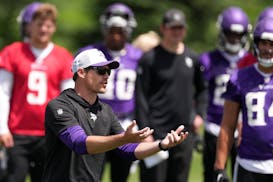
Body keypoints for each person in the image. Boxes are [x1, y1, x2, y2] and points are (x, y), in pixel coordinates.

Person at [41, 48, 188, 182]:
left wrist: (161, 144)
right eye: (100, 71)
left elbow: (127, 149)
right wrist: (123, 138)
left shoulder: (106, 111)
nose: (106, 76)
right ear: (81, 72)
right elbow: (79, 143)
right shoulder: (60, 106)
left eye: (108, 71)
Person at [0, 3, 74, 182]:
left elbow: (68, 99)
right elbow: (3, 92)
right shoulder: (13, 52)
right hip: (17, 133)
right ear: (29, 26)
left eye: (48, 25)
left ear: (54, 27)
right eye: (39, 24)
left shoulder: (63, 56)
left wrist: (66, 130)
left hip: (49, 133)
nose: (43, 29)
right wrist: (2, 127)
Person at [135, 8, 207, 182]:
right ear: (163, 28)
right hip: (155, 133)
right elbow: (141, 97)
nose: (176, 31)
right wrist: (145, 133)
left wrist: (200, 115)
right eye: (172, 27)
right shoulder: (149, 59)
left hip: (183, 134)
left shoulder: (192, 58)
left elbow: (203, 89)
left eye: (180, 27)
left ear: (185, 30)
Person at [76, 3, 143, 182]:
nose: (115, 35)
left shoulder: (139, 56)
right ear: (104, 29)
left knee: (121, 176)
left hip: (125, 123)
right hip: (94, 123)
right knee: (89, 175)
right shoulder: (90, 54)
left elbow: (143, 95)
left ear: (128, 31)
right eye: (111, 30)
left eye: (120, 31)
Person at [214, 17, 273, 182]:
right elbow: (227, 125)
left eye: (272, 44)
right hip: (248, 163)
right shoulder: (239, 77)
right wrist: (219, 167)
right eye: (264, 43)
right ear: (256, 44)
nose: (267, 49)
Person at [199, 6, 252, 182]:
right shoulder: (208, 59)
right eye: (230, 34)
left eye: (238, 34)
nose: (234, 38)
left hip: (242, 128)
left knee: (243, 175)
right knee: (213, 176)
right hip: (214, 126)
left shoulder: (251, 61)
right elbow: (200, 92)